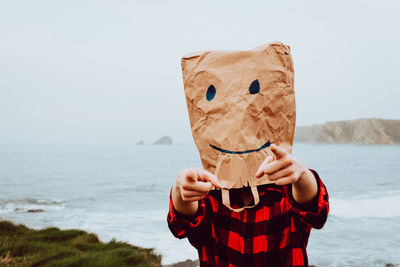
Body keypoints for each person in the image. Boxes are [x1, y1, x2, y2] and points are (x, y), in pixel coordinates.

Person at [167, 143, 329, 267]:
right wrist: (180, 190)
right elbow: (182, 224)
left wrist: (301, 175)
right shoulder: (209, 194)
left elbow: (316, 212)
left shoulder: (285, 190)